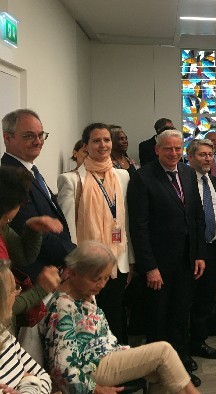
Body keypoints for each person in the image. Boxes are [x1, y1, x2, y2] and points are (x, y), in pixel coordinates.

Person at [41, 241, 199, 394]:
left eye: (106, 278)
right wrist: (93, 389)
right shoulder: (62, 306)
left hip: (106, 355)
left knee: (165, 373)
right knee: (163, 352)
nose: (102, 285)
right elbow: (61, 366)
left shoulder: (84, 292)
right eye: (96, 279)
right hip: (92, 365)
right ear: (73, 273)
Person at [127, 129, 206, 385]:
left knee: (181, 317)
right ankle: (158, 372)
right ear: (157, 150)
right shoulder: (143, 177)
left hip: (186, 261)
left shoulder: (186, 172)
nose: (173, 153)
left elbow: (196, 217)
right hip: (159, 265)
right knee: (158, 319)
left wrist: (198, 254)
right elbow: (139, 226)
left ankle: (180, 368)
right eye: (168, 149)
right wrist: (149, 267)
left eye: (177, 149)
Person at [57, 123, 133, 345]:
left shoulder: (122, 176)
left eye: (107, 140)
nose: (103, 145)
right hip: (87, 267)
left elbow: (126, 222)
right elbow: (69, 230)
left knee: (116, 317)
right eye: (97, 140)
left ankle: (122, 370)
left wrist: (131, 260)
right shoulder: (71, 180)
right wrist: (73, 267)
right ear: (85, 145)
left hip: (117, 262)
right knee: (90, 322)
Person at [1, 109, 75, 281]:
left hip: (53, 272)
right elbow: (30, 228)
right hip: (35, 277)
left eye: (41, 135)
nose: (38, 141)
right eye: (29, 136)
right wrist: (75, 256)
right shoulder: (9, 176)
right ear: (7, 138)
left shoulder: (32, 170)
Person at [0, 167, 62, 334]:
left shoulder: (3, 227)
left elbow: (24, 256)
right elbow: (4, 307)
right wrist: (41, 289)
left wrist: (33, 229)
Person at [185, 139, 216, 360]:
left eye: (210, 154)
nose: (208, 158)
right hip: (190, 251)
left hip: (212, 247)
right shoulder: (184, 183)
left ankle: (199, 342)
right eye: (202, 154)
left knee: (206, 299)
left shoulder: (213, 182)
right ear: (190, 157)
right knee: (187, 300)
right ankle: (184, 348)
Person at [0, 259, 51, 394]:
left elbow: (43, 376)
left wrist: (28, 386)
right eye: (13, 290)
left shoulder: (4, 335)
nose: (17, 294)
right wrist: (28, 380)